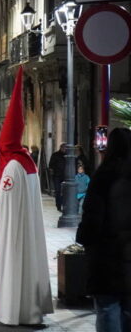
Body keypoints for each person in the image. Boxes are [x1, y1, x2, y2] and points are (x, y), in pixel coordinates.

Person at [0, 67, 53, 325]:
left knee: (15, 268)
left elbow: (5, 203)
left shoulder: (12, 165)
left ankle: (14, 311)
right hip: (29, 228)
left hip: (15, 232)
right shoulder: (28, 162)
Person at [77, 127, 131, 332]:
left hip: (106, 256)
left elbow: (93, 218)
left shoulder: (103, 176)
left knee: (108, 308)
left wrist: (85, 238)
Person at [49, 143, 67, 212]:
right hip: (57, 176)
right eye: (64, 148)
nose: (65, 149)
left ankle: (63, 204)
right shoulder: (55, 155)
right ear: (61, 148)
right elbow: (51, 165)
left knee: (65, 191)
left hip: (65, 176)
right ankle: (58, 205)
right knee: (58, 191)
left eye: (66, 148)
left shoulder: (67, 155)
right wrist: (52, 173)